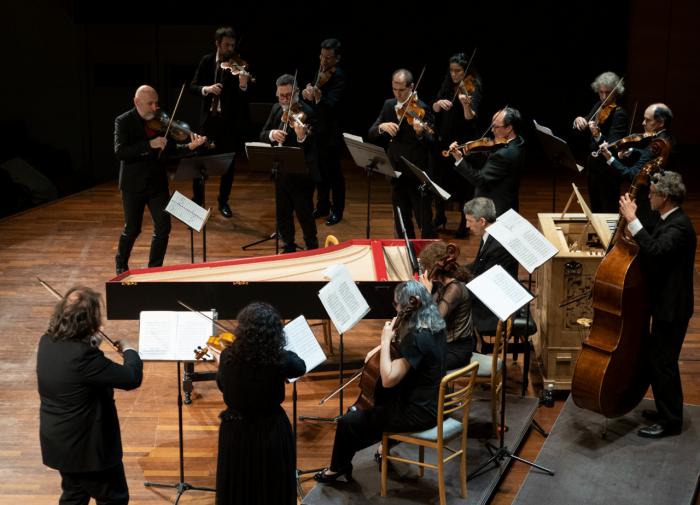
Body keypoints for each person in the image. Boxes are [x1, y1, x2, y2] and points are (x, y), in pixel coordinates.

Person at [314, 280, 446, 482]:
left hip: (419, 412)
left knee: (349, 421)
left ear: (409, 305)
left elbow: (388, 379)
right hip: (433, 402)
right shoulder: (433, 321)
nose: (396, 309)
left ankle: (337, 468)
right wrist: (382, 348)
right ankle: (381, 447)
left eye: (396, 304)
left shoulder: (417, 337)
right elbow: (406, 355)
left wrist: (384, 342)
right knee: (372, 410)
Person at [37, 286, 143, 505]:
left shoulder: (46, 341)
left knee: (74, 496)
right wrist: (130, 350)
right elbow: (131, 378)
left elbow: (74, 368)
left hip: (61, 442)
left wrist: (91, 343)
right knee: (113, 499)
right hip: (89, 450)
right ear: (89, 321)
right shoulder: (84, 357)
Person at [618, 171, 695, 438]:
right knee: (658, 360)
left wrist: (631, 219)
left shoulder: (680, 227)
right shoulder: (666, 218)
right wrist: (633, 216)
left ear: (665, 197)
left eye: (652, 193)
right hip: (663, 303)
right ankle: (665, 411)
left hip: (672, 308)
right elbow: (649, 232)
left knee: (664, 363)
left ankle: (671, 421)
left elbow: (656, 250)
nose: (649, 196)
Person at [215, 302, 305, 504]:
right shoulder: (280, 359)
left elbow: (223, 387)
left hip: (236, 430)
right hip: (271, 429)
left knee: (238, 483)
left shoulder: (227, 355)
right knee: (271, 484)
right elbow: (300, 366)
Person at [114, 85, 206, 274]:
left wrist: (190, 146)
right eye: (150, 103)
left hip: (157, 183)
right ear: (137, 102)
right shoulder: (123, 121)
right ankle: (121, 263)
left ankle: (154, 269)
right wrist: (149, 144)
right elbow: (120, 152)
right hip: (133, 185)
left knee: (163, 228)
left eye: (156, 103)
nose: (155, 107)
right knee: (132, 229)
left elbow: (170, 152)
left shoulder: (161, 123)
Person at [190, 26, 251, 218]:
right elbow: (193, 86)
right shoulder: (207, 61)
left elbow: (244, 98)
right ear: (217, 44)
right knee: (198, 162)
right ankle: (198, 201)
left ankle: (223, 201)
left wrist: (243, 84)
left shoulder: (239, 65)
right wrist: (206, 89)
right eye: (226, 45)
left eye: (232, 45)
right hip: (208, 122)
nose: (230, 49)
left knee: (228, 165)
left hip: (229, 124)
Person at [368, 69, 436, 239]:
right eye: (394, 89)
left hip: (416, 174)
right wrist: (381, 127)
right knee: (402, 223)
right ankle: (408, 255)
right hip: (396, 173)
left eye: (402, 90)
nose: (398, 94)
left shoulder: (422, 109)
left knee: (424, 223)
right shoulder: (388, 105)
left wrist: (420, 133)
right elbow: (371, 132)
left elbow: (433, 142)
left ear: (411, 87)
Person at [260, 73, 319, 253]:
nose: (284, 99)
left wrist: (301, 137)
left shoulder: (307, 112)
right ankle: (288, 246)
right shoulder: (277, 109)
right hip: (281, 171)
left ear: (297, 93)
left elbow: (315, 144)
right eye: (281, 96)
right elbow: (262, 133)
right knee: (283, 214)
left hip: (302, 174)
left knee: (305, 215)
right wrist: (272, 134)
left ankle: (312, 249)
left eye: (288, 95)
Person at [431, 52, 482, 237]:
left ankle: (464, 223)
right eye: (451, 70)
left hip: (463, 141)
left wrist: (466, 105)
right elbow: (434, 108)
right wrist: (438, 103)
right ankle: (440, 215)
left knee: (463, 184)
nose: (454, 74)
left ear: (465, 70)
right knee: (438, 178)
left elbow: (470, 118)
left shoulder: (473, 86)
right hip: (444, 138)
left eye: (458, 71)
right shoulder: (447, 83)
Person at [599, 103, 673, 226]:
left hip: (648, 202)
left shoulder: (656, 145)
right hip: (666, 199)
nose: (643, 123)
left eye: (648, 120)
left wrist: (610, 158)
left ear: (661, 123)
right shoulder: (669, 139)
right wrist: (633, 151)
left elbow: (632, 175)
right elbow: (648, 155)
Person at [302, 38, 347, 226]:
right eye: (322, 56)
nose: (324, 61)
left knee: (334, 174)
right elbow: (315, 98)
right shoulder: (320, 70)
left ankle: (337, 211)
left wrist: (319, 98)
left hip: (331, 133)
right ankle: (322, 206)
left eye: (328, 58)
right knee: (319, 171)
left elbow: (334, 106)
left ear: (337, 59)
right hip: (317, 131)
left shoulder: (339, 76)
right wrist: (308, 93)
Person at [448, 107, 524, 216]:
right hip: (508, 203)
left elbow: (480, 180)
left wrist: (459, 159)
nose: (492, 130)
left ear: (509, 128)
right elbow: (494, 164)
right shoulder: (519, 142)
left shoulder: (505, 154)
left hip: (497, 210)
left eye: (496, 127)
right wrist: (474, 150)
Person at [573, 71, 629, 213]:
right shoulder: (599, 105)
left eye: (607, 93)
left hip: (608, 172)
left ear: (615, 92)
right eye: (601, 92)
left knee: (608, 210)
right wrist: (579, 119)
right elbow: (587, 119)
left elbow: (612, 146)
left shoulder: (619, 113)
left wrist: (598, 136)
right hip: (594, 169)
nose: (604, 97)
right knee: (596, 210)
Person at [463, 197, 518, 335]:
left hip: (496, 304)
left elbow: (486, 282)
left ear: (482, 221)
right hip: (490, 288)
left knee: (454, 304)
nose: (467, 226)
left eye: (469, 221)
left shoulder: (498, 246)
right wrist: (457, 271)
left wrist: (457, 286)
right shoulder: (490, 232)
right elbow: (479, 264)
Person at [419, 241, 475, 370]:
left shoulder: (454, 289)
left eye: (426, 267)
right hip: (443, 343)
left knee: (416, 365)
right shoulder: (441, 285)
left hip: (456, 350)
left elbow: (434, 321)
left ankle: (433, 389)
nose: (425, 271)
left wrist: (427, 293)